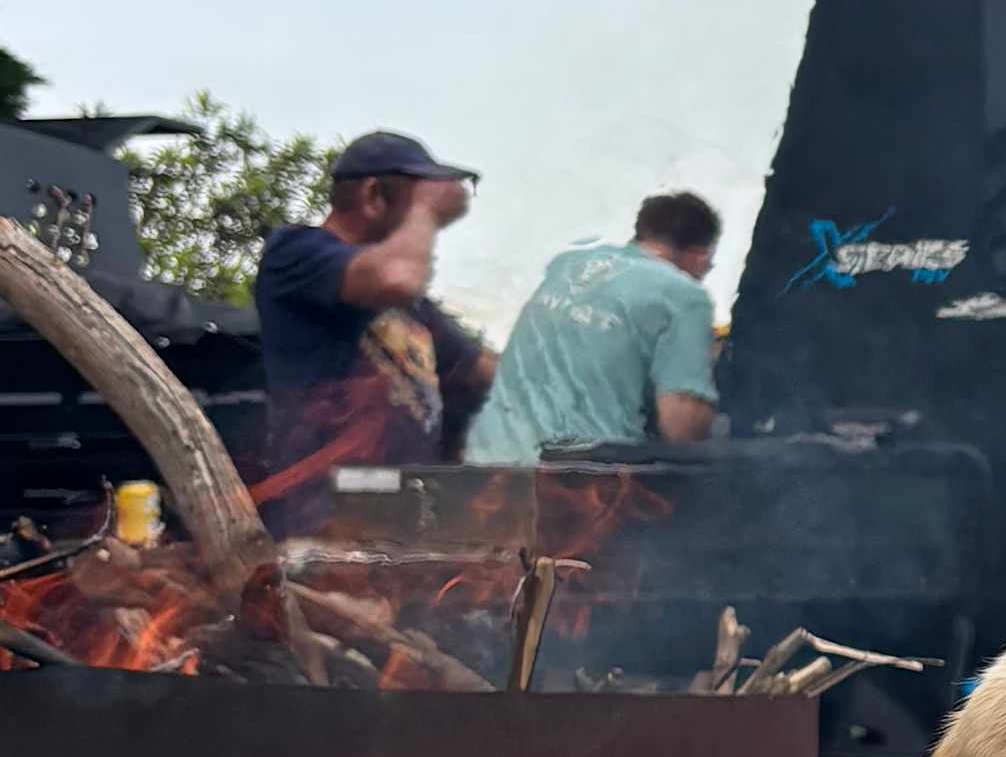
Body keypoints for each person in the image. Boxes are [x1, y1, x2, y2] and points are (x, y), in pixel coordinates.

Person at [251, 130, 492, 510]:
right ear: (373, 196)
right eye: (416, 197)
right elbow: (397, 278)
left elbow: (481, 369)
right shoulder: (297, 252)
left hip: (403, 510)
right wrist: (426, 211)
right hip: (328, 509)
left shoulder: (414, 309)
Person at [469, 191, 730, 464]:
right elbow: (681, 426)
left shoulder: (567, 265)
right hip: (578, 476)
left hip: (485, 462)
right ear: (701, 255)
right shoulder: (685, 296)